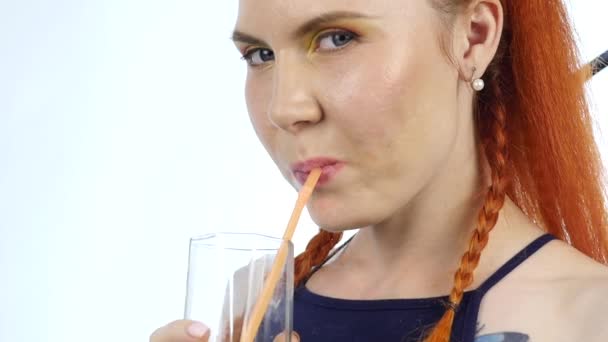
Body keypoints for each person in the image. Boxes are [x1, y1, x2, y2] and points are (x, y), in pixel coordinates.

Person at [150, 0, 608, 341]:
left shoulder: (588, 318)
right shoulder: (255, 301)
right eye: (260, 55)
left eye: (337, 38)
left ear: (473, 37)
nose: (284, 109)